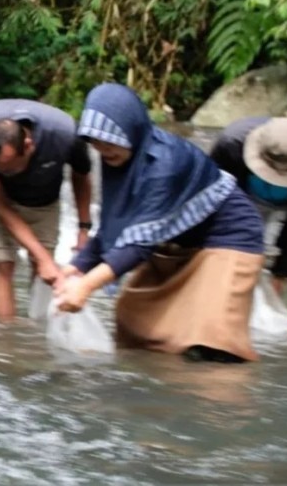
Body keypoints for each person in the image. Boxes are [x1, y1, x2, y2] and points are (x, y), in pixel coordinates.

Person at [54, 83, 264, 362]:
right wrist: (74, 269)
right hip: (177, 242)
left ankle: (218, 402)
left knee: (214, 342)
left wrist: (85, 286)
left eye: (111, 141)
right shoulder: (118, 162)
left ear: (132, 130)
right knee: (133, 323)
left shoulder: (164, 164)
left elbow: (139, 244)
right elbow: (112, 229)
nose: (104, 150)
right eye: (97, 143)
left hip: (229, 237)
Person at [0, 99, 93, 319]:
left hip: (44, 196)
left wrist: (83, 228)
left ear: (28, 145)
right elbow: (0, 206)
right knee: (3, 263)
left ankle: (38, 335)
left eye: (10, 168)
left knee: (42, 270)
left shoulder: (66, 135)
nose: (5, 173)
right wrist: (44, 258)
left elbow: (81, 176)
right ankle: (5, 340)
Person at [209, 116, 287, 297]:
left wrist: (283, 272)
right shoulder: (231, 145)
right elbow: (213, 202)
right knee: (237, 251)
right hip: (245, 195)